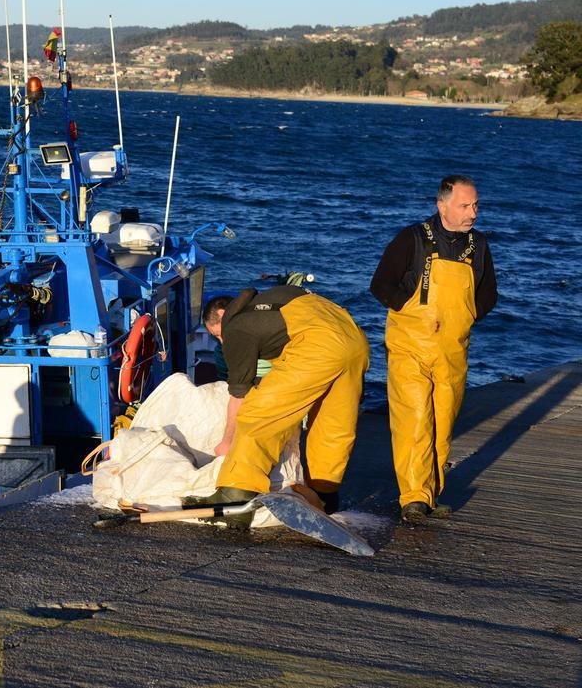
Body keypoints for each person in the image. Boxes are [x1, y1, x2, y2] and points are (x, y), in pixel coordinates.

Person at [370, 175, 497, 523]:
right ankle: (413, 498)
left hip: (453, 352)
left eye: (475, 205)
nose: (473, 212)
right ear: (442, 205)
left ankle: (431, 494)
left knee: (442, 424)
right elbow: (380, 284)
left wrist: (469, 315)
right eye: (465, 205)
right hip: (410, 346)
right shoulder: (411, 239)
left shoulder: (479, 245)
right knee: (414, 421)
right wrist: (409, 308)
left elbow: (489, 294)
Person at [186, 285, 370, 515]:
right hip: (355, 339)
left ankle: (237, 490)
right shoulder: (271, 304)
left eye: (217, 335)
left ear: (223, 316)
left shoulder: (236, 327)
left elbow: (239, 394)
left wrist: (227, 440)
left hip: (318, 345)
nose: (222, 342)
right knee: (332, 424)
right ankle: (323, 494)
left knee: (260, 413)